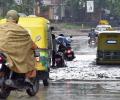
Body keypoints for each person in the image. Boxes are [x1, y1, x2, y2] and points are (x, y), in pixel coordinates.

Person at [0, 10, 37, 78]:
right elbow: (29, 43)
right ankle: (28, 75)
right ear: (17, 19)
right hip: (12, 57)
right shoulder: (21, 30)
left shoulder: (1, 27)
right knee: (29, 56)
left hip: (2, 54)